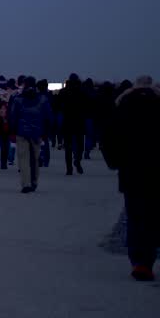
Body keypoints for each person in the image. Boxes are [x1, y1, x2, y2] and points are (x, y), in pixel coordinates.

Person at [102, 75, 160, 281]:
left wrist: (114, 161)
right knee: (153, 215)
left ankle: (138, 262)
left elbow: (109, 137)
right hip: (156, 169)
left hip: (131, 169)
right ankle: (148, 258)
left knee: (135, 215)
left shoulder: (123, 106)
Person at [8, 81, 52, 193]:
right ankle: (34, 181)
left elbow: (13, 116)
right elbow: (48, 116)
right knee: (35, 159)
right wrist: (46, 131)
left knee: (23, 159)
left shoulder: (18, 100)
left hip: (21, 132)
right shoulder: (42, 100)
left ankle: (26, 183)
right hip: (37, 132)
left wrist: (12, 129)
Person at [59, 74, 90, 175]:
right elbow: (87, 105)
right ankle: (77, 160)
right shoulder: (82, 92)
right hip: (79, 121)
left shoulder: (63, 92)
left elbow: (58, 105)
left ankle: (69, 168)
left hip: (67, 121)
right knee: (80, 145)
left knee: (68, 146)